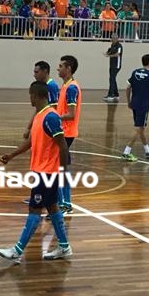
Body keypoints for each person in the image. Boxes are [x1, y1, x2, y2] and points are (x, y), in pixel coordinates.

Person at [0, 81, 73, 263]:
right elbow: (31, 142)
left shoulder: (51, 117)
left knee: (34, 209)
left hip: (48, 173)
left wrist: (61, 172)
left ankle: (17, 250)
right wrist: (12, 155)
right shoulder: (40, 116)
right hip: (42, 171)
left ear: (36, 95)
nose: (29, 98)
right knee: (53, 207)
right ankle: (64, 246)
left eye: (30, 95)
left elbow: (63, 147)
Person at [122, 54, 149, 161]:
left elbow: (128, 88)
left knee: (140, 128)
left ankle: (147, 150)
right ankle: (126, 151)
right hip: (143, 105)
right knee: (138, 128)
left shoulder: (135, 72)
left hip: (134, 104)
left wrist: (129, 101)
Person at [55, 56, 81, 213]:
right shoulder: (65, 86)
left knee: (59, 168)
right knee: (62, 168)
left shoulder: (71, 88)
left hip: (66, 132)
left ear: (68, 68)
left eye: (60, 66)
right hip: (62, 131)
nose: (58, 68)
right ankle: (65, 202)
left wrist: (54, 117)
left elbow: (70, 114)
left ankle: (64, 204)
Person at [104, 36, 123, 102]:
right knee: (112, 78)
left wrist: (109, 56)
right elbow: (110, 52)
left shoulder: (119, 46)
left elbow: (117, 54)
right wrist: (107, 53)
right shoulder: (112, 45)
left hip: (116, 65)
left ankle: (111, 95)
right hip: (112, 65)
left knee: (112, 79)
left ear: (116, 39)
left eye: (113, 38)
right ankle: (116, 94)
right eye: (111, 38)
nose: (111, 39)